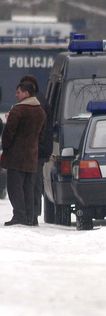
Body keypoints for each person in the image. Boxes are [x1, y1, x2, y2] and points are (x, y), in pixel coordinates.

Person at [1, 82, 46, 226]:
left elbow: (9, 134)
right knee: (28, 187)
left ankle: (19, 216)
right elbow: (42, 135)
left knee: (15, 187)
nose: (16, 94)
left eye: (18, 92)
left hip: (16, 157)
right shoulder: (40, 111)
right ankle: (30, 217)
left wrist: (5, 148)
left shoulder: (18, 110)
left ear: (26, 93)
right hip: (32, 156)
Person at [20, 75, 53, 225]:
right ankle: (33, 214)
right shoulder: (42, 100)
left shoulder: (35, 103)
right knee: (35, 182)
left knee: (32, 182)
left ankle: (32, 215)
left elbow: (38, 129)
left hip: (36, 149)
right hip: (41, 148)